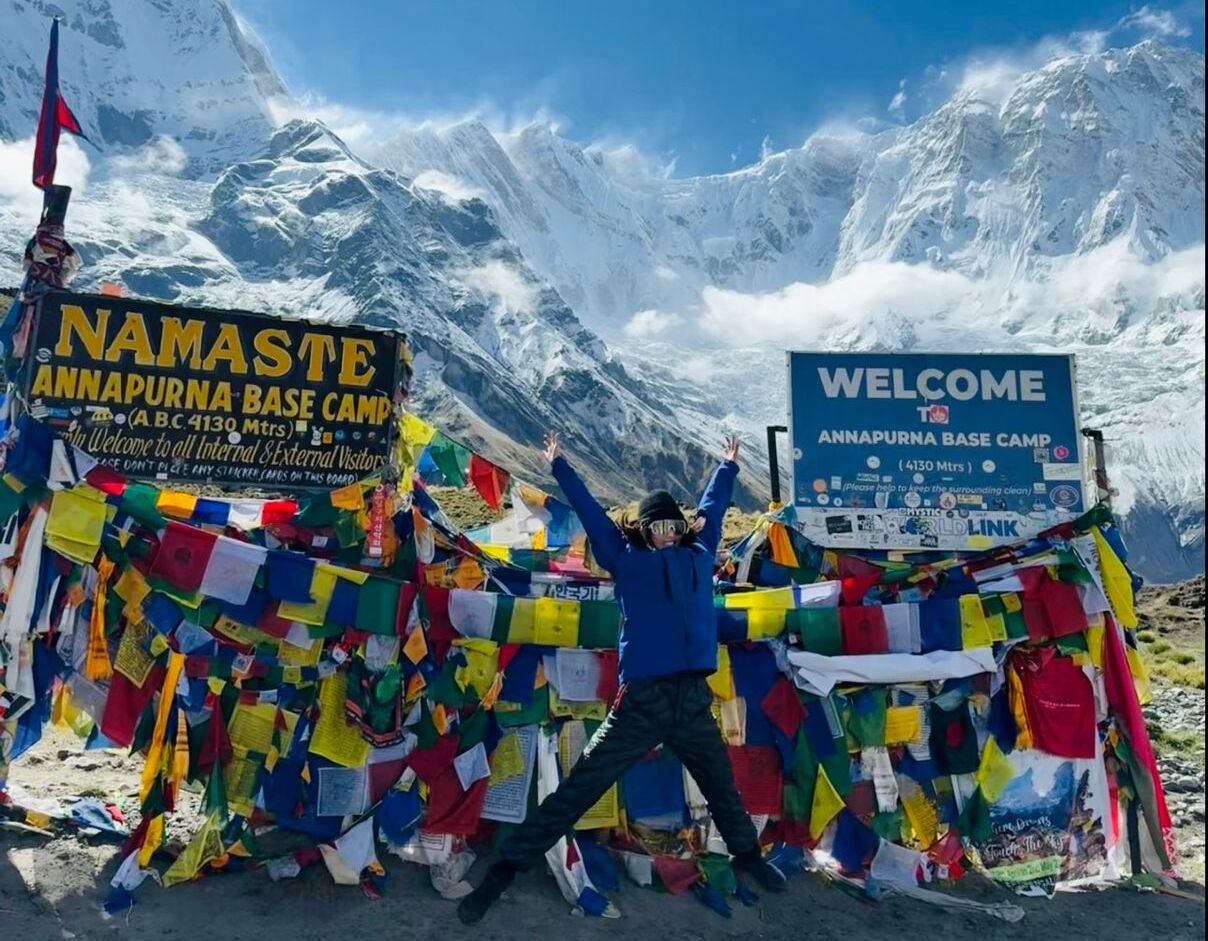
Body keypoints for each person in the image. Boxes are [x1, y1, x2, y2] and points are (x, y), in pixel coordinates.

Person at [457, 432, 786, 924]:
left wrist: (728, 466)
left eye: (676, 524)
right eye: (660, 526)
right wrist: (560, 467)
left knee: (721, 786)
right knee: (578, 789)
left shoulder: (701, 554)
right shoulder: (626, 562)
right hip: (642, 702)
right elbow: (590, 513)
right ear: (644, 530)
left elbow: (714, 508)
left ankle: (748, 858)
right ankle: (503, 872)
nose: (670, 533)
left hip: (692, 698)